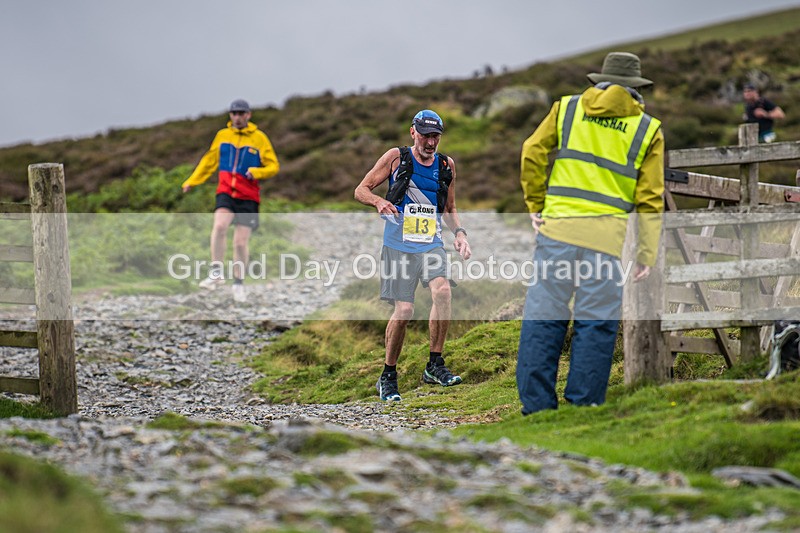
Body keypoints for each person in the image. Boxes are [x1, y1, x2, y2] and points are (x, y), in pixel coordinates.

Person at [516, 52, 665, 414]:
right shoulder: (647, 129)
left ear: (598, 81)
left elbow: (532, 152)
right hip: (606, 243)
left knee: (543, 316)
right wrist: (645, 253)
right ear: (636, 90)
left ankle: (536, 410)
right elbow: (650, 199)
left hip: (557, 233)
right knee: (595, 326)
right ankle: (583, 408)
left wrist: (537, 204)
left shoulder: (566, 109)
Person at [354, 109, 472, 401]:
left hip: (431, 243)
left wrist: (459, 234)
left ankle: (434, 364)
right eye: (425, 135)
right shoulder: (397, 157)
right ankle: (388, 375)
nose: (430, 142)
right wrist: (378, 201)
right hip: (398, 244)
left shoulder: (446, 165)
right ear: (413, 132)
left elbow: (449, 209)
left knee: (442, 291)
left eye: (436, 136)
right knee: (404, 311)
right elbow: (361, 189)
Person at [182, 99, 280, 303]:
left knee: (240, 243)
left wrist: (257, 172)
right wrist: (192, 180)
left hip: (248, 196)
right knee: (219, 227)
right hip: (226, 191)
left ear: (248, 115)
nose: (237, 117)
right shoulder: (222, 136)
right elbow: (209, 162)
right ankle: (216, 273)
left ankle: (238, 283)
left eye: (240, 113)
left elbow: (274, 166)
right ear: (230, 115)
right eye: (233, 113)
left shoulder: (259, 138)